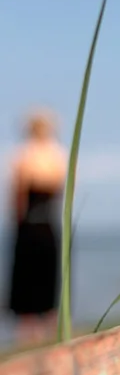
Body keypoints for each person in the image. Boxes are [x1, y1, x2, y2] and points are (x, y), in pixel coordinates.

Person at [5, 108, 67, 345]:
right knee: (49, 276)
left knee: (26, 278)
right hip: (49, 224)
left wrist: (16, 221)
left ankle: (28, 335)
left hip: (28, 225)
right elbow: (60, 192)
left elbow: (17, 196)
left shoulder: (23, 155)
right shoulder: (58, 155)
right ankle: (50, 329)